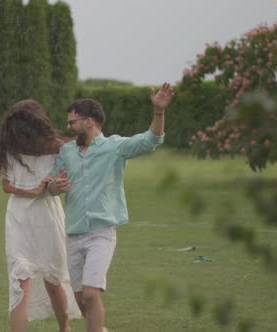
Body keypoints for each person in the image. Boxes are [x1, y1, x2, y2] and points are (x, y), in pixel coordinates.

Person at [48, 83, 175, 332]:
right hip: (72, 234)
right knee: (80, 298)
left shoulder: (114, 147)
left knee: (91, 293)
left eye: (73, 122)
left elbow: (151, 140)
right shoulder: (66, 152)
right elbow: (51, 184)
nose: (69, 127)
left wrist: (159, 112)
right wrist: (56, 186)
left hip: (101, 233)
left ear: (89, 122)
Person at [0, 99, 81, 332]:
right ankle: (65, 328)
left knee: (51, 279)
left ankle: (65, 328)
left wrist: (42, 188)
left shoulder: (56, 147)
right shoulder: (11, 149)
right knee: (21, 281)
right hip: (25, 218)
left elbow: (8, 187)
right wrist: (33, 191)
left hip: (39, 216)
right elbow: (6, 185)